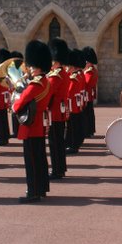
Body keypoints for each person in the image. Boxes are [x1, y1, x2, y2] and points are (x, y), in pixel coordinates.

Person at [14, 40, 53, 203]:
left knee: (32, 161)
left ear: (36, 66)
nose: (28, 68)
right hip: (39, 125)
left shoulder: (34, 85)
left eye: (30, 66)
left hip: (31, 126)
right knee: (40, 158)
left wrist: (16, 93)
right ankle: (42, 187)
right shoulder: (46, 82)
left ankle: (33, 191)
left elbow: (17, 105)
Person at [46, 39, 71, 178]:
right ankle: (60, 168)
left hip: (54, 113)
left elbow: (48, 93)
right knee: (59, 142)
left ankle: (57, 170)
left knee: (54, 143)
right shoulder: (63, 74)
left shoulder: (55, 76)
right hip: (59, 112)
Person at [0, 48, 13, 146]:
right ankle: (5, 135)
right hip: (5, 96)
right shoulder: (6, 69)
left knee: (1, 119)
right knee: (4, 117)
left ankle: (3, 138)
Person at [82, 46, 99, 138]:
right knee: (89, 113)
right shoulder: (92, 70)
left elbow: (86, 83)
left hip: (86, 95)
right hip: (88, 95)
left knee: (87, 114)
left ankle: (88, 131)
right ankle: (90, 130)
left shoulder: (90, 71)